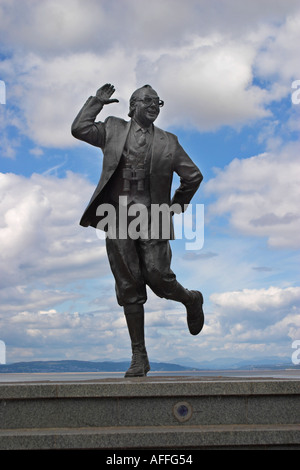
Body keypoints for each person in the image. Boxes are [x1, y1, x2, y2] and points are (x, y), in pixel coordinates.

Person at [71, 83, 204, 377]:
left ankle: (191, 299)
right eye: (147, 100)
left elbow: (193, 176)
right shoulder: (113, 129)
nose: (154, 105)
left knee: (159, 278)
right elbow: (79, 129)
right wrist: (96, 102)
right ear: (132, 106)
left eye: (158, 101)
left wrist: (174, 209)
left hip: (153, 216)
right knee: (129, 286)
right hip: (117, 217)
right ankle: (139, 356)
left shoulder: (169, 142)